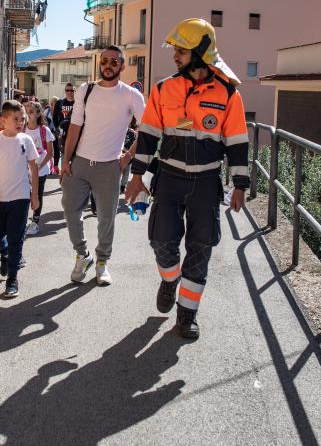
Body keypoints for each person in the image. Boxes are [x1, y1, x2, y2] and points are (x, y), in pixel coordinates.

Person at [125, 18, 250, 340]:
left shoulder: (228, 94)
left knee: (201, 248)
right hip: (169, 177)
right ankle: (169, 279)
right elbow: (149, 134)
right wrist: (136, 177)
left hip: (207, 183)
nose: (175, 55)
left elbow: (237, 141)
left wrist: (240, 185)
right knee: (161, 241)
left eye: (181, 49)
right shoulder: (164, 89)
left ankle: (187, 314)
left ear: (199, 52)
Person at [61, 46, 145, 286]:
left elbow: (148, 130)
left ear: (122, 66)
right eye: (105, 60)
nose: (108, 65)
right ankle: (82, 254)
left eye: (114, 61)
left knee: (106, 218)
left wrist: (127, 157)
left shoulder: (131, 96)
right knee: (70, 209)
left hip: (110, 166)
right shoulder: (86, 90)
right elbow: (75, 126)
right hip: (80, 163)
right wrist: (66, 160)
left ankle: (102, 261)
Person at [0, 100, 40, 299]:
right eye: (16, 119)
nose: (20, 122)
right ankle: (5, 253)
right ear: (3, 120)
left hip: (20, 198)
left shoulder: (26, 140)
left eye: (22, 119)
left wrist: (34, 196)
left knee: (17, 239)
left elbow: (34, 169)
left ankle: (12, 279)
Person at [23, 100, 55, 236]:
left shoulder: (44, 130)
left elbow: (50, 152)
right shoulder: (22, 129)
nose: (28, 114)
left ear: (37, 114)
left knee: (38, 194)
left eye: (30, 112)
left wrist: (39, 166)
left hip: (41, 168)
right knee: (25, 194)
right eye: (26, 112)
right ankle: (23, 220)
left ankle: (35, 221)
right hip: (24, 169)